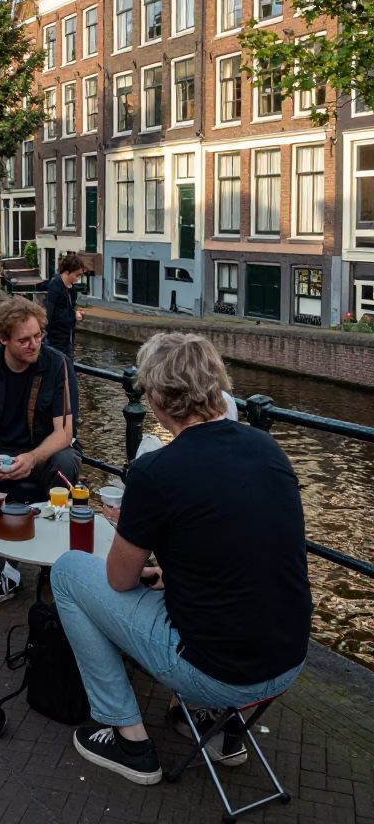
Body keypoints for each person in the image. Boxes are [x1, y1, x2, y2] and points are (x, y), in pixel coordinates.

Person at [51, 333, 311, 786]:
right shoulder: (267, 449)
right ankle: (219, 729)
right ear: (216, 384)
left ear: (155, 397)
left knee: (70, 573)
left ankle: (128, 738)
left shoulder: (157, 471)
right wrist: (173, 570)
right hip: (287, 661)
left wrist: (132, 525)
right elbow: (247, 550)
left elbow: (117, 579)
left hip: (221, 672)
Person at [0, 297, 79, 614]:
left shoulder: (57, 364)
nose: (34, 344)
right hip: (1, 453)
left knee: (65, 465)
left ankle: (56, 565)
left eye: (38, 336)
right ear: (3, 339)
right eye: (24, 339)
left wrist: (33, 458)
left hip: (45, 454)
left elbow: (63, 433)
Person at [44, 253, 86, 357]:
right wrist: (73, 315)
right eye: (77, 275)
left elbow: (67, 309)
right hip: (56, 341)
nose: (78, 279)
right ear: (67, 272)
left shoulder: (72, 288)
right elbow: (51, 315)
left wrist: (75, 313)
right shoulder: (55, 287)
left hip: (67, 339)